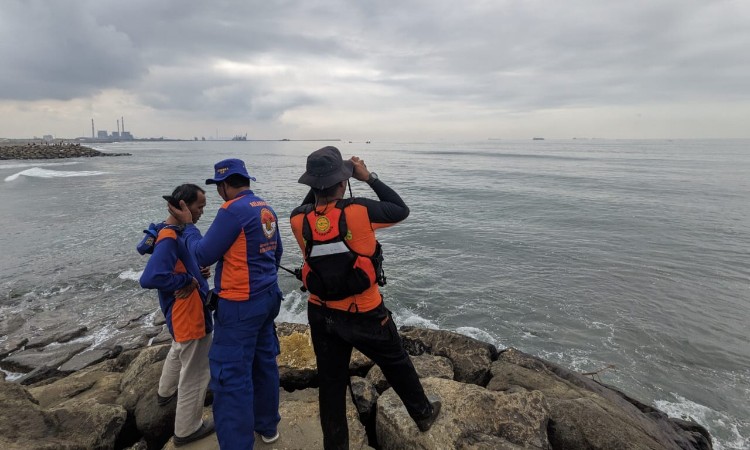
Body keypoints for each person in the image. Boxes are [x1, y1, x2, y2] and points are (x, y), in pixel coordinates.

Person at [289, 146, 441, 450]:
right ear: (342, 182)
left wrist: (328, 182)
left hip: (321, 313)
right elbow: (400, 208)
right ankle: (422, 414)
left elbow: (312, 206)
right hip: (364, 312)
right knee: (395, 360)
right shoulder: (358, 211)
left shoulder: (297, 219)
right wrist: (367, 176)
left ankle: (336, 445)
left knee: (331, 385)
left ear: (311, 184)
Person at [168, 158, 283, 449]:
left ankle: (237, 444)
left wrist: (188, 226)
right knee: (264, 362)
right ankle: (268, 427)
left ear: (223, 186)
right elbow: (277, 254)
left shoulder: (232, 210)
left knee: (230, 376)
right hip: (268, 297)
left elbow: (203, 255)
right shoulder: (265, 207)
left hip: (240, 305)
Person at [139, 183, 215, 447]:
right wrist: (187, 280)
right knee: (196, 371)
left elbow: (174, 265)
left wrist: (195, 273)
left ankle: (165, 392)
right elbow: (151, 277)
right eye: (200, 206)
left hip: (178, 311)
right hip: (190, 312)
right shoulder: (170, 236)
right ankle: (187, 429)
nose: (203, 212)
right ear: (183, 206)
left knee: (178, 348)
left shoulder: (167, 230)